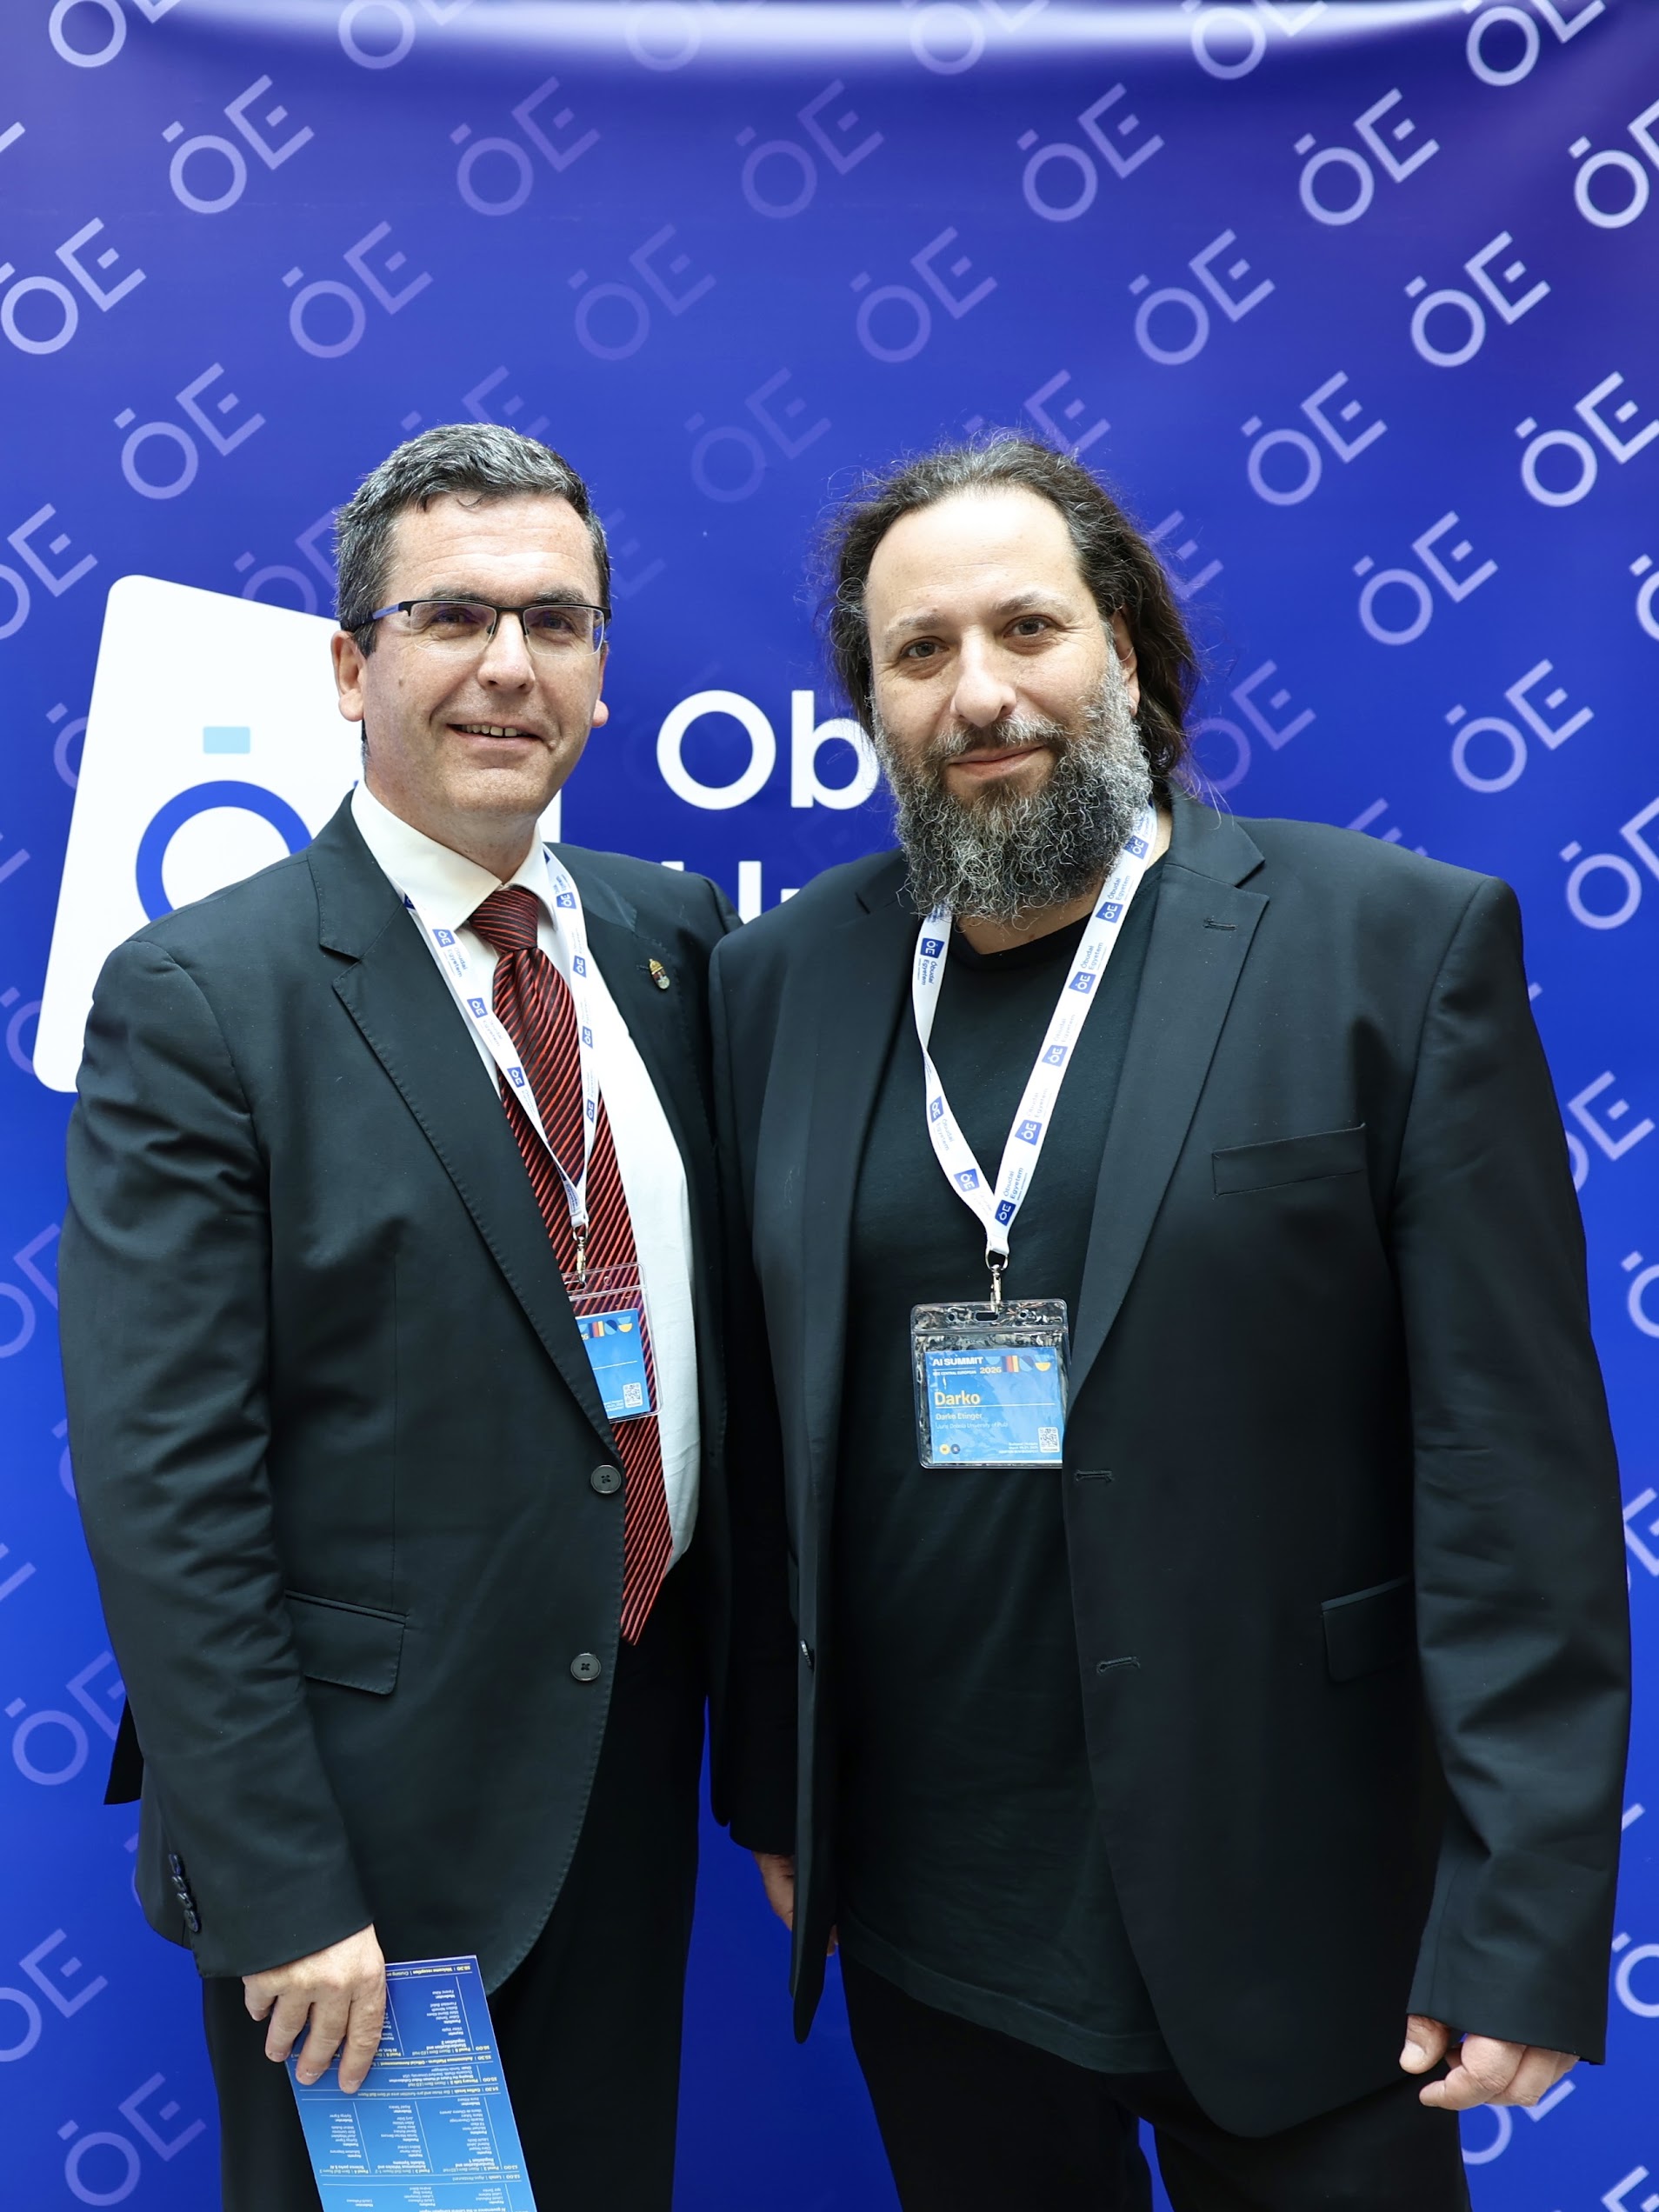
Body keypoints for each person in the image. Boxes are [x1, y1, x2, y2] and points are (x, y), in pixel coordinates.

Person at [709, 436, 1631, 2210]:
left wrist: (1522, 1913)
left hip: (1307, 1902)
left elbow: (1509, 1468)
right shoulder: (782, 986)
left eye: (1027, 628)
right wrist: (779, 1786)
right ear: (874, 705)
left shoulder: (1390, 949)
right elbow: (761, 1429)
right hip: (937, 1911)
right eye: (920, 653)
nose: (980, 693)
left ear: (1123, 650)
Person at [60, 423, 767, 2212]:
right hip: (361, 1843)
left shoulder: (675, 942)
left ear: (601, 669)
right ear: (349, 665)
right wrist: (285, 1885)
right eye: (452, 617)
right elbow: (168, 1490)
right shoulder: (207, 997)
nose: (508, 666)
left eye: (556, 621)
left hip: (622, 1774)